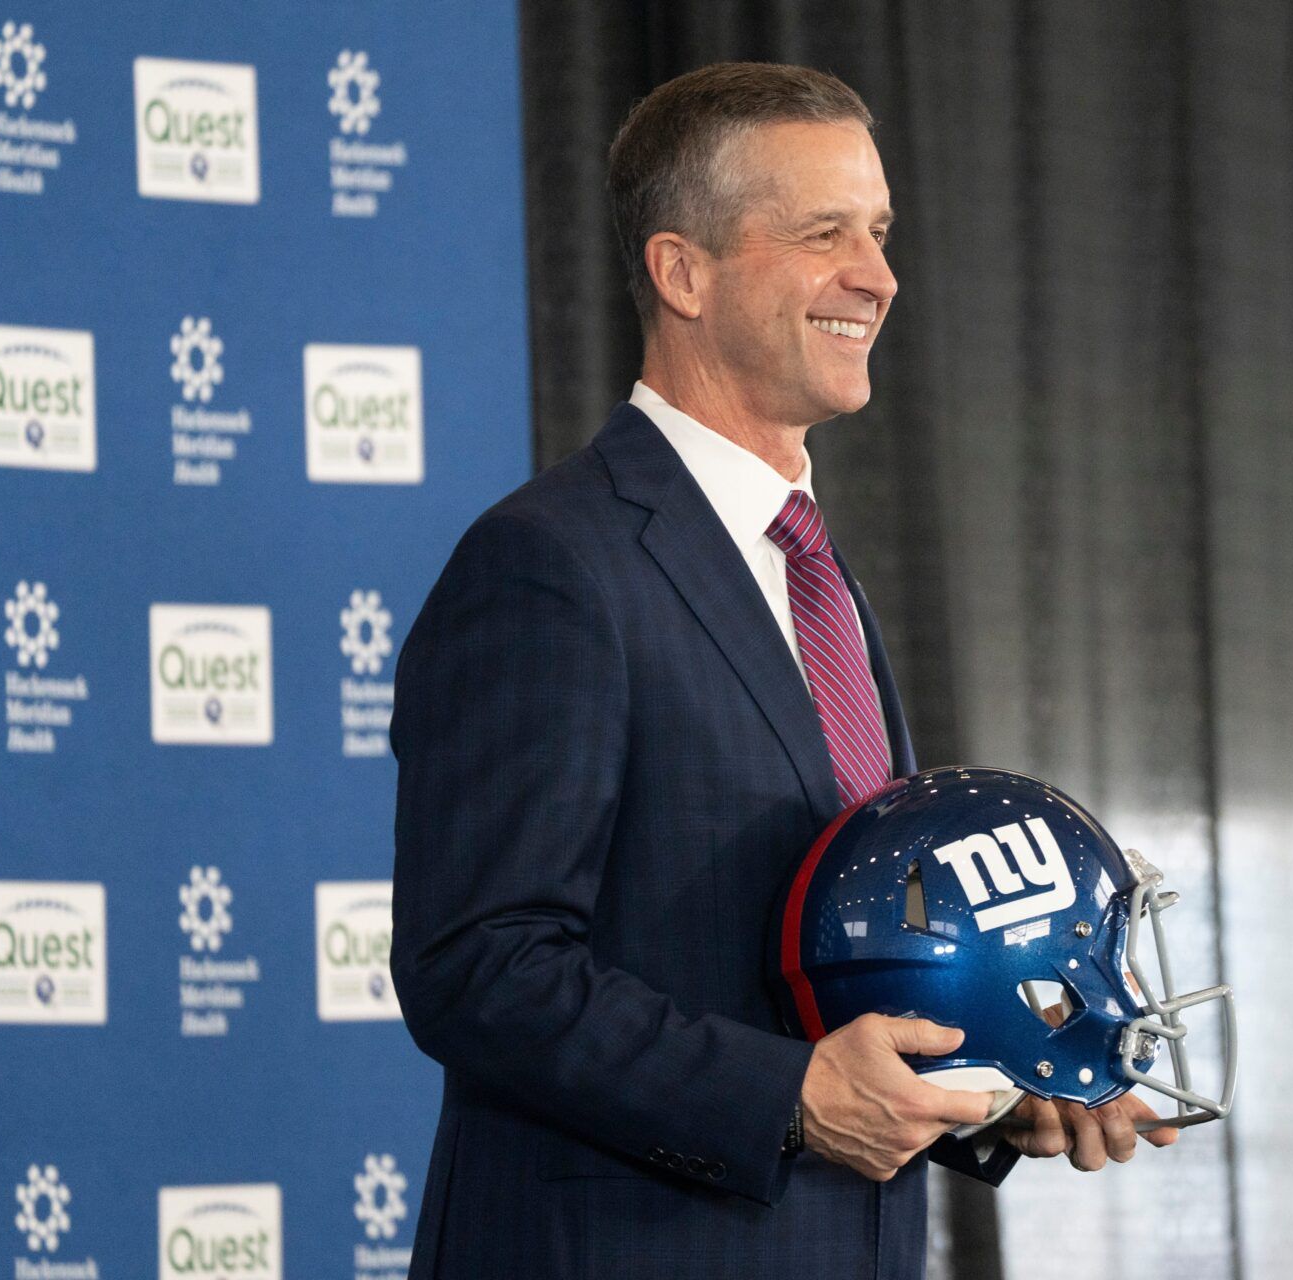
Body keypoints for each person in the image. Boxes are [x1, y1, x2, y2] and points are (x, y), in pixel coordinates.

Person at [389, 62, 1174, 1280]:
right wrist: (791, 1096)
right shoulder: (549, 563)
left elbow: (827, 966)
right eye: (823, 234)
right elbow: (479, 966)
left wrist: (997, 1081)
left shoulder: (813, 566)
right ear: (681, 271)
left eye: (878, 232)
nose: (878, 275)